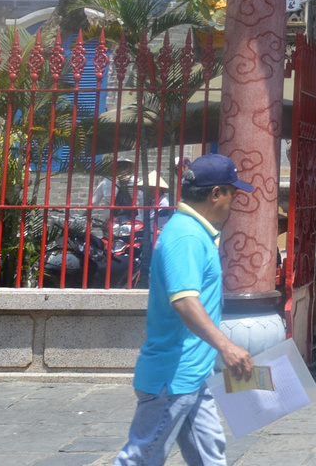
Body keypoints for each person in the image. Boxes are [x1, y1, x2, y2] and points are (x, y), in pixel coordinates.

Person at [113, 154, 255, 466]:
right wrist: (225, 345)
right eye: (233, 192)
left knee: (209, 456)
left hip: (192, 373)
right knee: (141, 457)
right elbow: (184, 302)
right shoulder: (186, 236)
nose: (235, 201)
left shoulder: (193, 232)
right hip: (173, 377)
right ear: (216, 193)